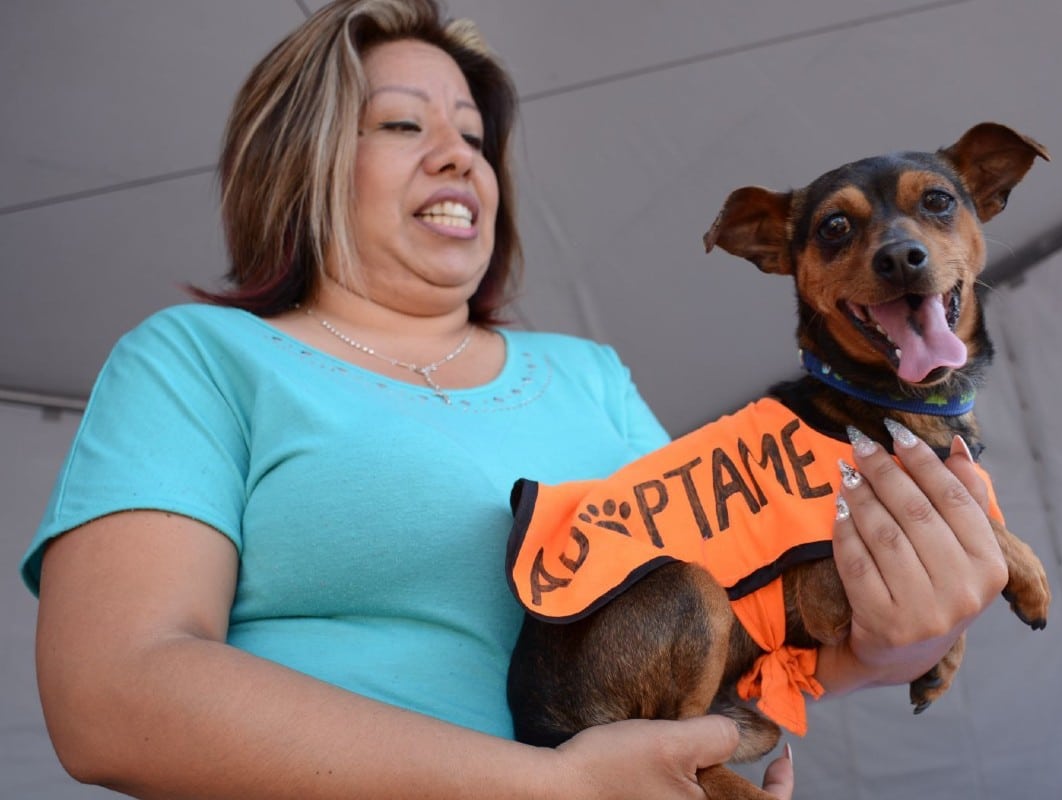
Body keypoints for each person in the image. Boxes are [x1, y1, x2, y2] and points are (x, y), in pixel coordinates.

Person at [21, 1, 1009, 797]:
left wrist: (889, 643)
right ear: (302, 163)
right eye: (404, 124)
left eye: (475, 136)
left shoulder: (588, 374)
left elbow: (723, 650)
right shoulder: (197, 357)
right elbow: (113, 690)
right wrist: (544, 786)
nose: (459, 156)